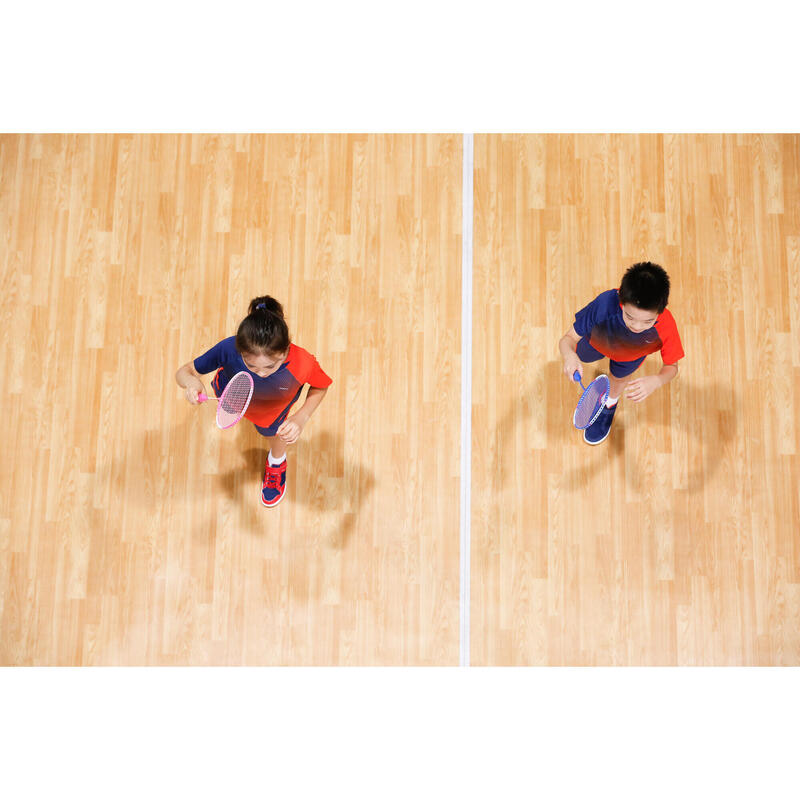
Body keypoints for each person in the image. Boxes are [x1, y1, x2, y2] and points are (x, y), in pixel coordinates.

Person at [175, 295, 332, 507]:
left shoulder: (303, 362)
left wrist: (301, 418)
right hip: (230, 398)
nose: (261, 373)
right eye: (251, 365)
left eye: (270, 366)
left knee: (276, 436)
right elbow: (184, 372)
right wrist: (192, 383)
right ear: (241, 351)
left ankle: (277, 461)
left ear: (285, 351)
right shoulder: (229, 349)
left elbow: (321, 385)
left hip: (271, 415)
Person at [558, 262, 684, 445]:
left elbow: (672, 367)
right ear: (621, 301)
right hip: (597, 343)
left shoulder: (666, 326)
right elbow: (567, 339)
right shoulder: (604, 304)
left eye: (648, 322)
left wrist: (657, 380)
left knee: (618, 380)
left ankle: (609, 404)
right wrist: (569, 354)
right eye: (630, 317)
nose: (637, 327)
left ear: (660, 312)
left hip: (629, 358)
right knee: (582, 355)